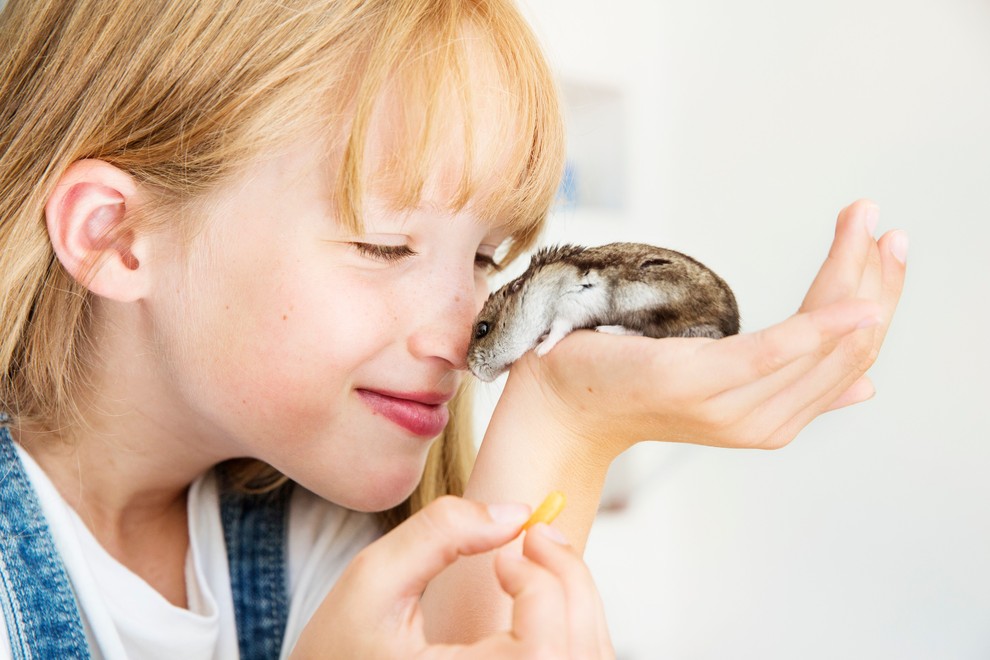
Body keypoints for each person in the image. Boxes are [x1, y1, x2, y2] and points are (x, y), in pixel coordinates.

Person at [0, 0, 906, 658]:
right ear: (114, 237)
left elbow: (462, 638)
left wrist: (569, 415)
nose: (462, 327)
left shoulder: (310, 533)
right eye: (385, 245)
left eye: (484, 259)